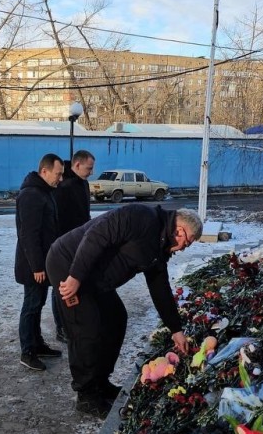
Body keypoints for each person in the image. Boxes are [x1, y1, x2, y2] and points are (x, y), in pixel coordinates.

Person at [46, 205, 203, 417]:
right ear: (180, 231)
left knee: (116, 319)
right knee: (86, 329)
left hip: (96, 280)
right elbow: (96, 235)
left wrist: (176, 329)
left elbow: (160, 288)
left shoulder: (159, 247)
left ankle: (101, 382)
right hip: (68, 265)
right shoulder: (140, 217)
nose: (184, 248)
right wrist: (75, 276)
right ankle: (86, 395)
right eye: (188, 243)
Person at [15, 153, 65, 371]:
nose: (60, 179)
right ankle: (27, 351)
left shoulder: (43, 192)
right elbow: (29, 235)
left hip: (42, 263)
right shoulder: (31, 195)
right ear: (44, 171)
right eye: (58, 174)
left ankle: (37, 344)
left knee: (38, 304)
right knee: (31, 305)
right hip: (32, 265)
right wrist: (36, 266)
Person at [50, 150, 95, 343]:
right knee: (61, 285)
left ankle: (76, 321)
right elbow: (57, 217)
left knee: (78, 281)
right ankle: (62, 327)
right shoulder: (63, 186)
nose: (92, 172)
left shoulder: (83, 183)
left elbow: (84, 212)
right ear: (77, 165)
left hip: (81, 241)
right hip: (63, 244)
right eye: (89, 168)